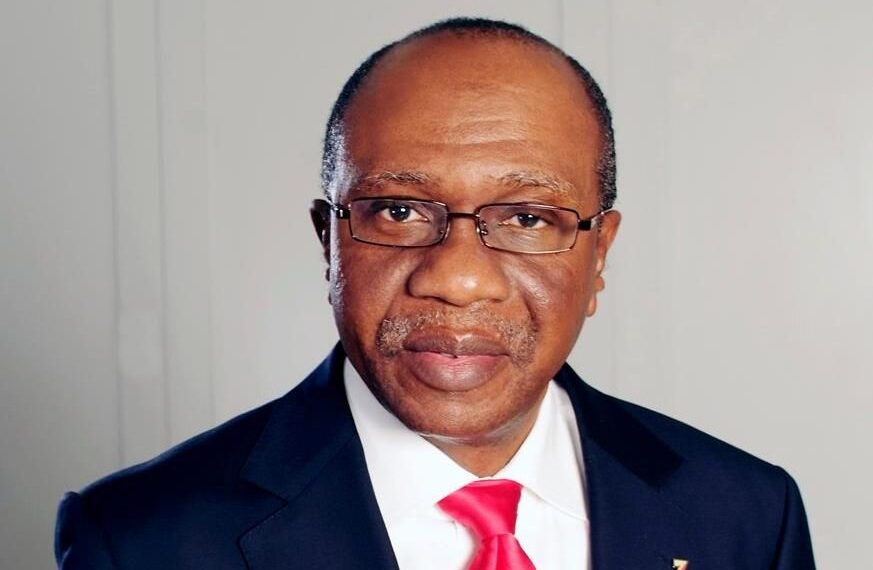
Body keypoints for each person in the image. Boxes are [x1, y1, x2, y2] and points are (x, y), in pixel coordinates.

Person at [54, 18, 816, 570]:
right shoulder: (141, 540)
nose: (456, 279)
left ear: (598, 255)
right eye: (397, 211)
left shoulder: (746, 514)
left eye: (526, 218)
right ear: (328, 242)